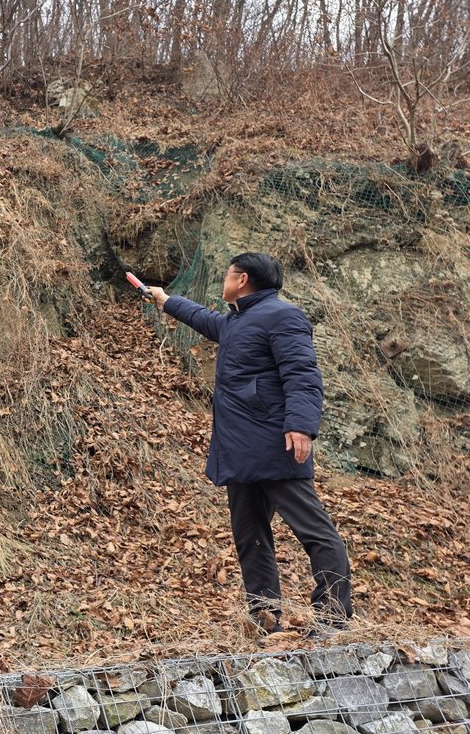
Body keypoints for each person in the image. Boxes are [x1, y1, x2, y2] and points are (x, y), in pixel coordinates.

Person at [146, 252, 353, 637]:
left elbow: (302, 374)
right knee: (250, 536)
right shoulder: (237, 320)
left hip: (275, 444)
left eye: (228, 274)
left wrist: (301, 426)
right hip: (240, 449)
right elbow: (206, 320)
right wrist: (166, 300)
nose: (223, 281)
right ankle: (264, 617)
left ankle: (333, 617)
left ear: (242, 280)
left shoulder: (283, 316)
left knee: (314, 531)